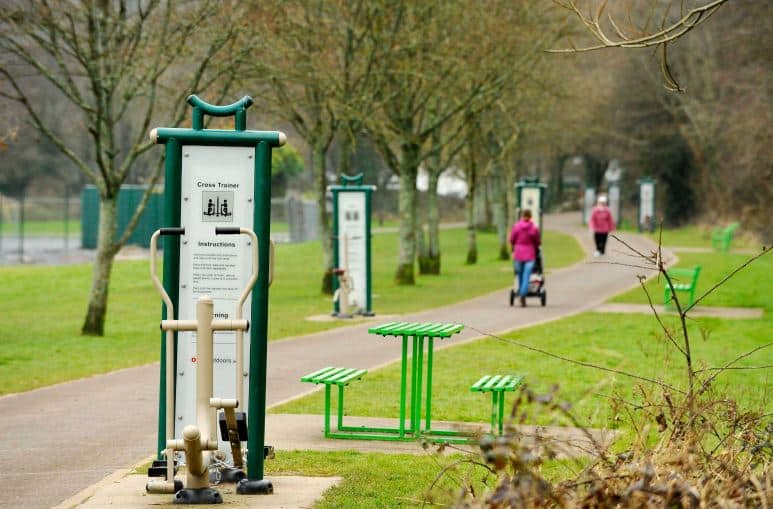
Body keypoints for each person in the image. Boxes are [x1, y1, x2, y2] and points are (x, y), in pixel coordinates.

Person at [509, 209, 541, 307]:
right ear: (530, 216)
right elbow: (537, 242)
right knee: (527, 276)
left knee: (520, 275)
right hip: (530, 254)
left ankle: (521, 292)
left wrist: (515, 245)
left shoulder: (516, 227)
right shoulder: (533, 228)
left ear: (522, 216)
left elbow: (511, 239)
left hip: (518, 254)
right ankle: (523, 294)